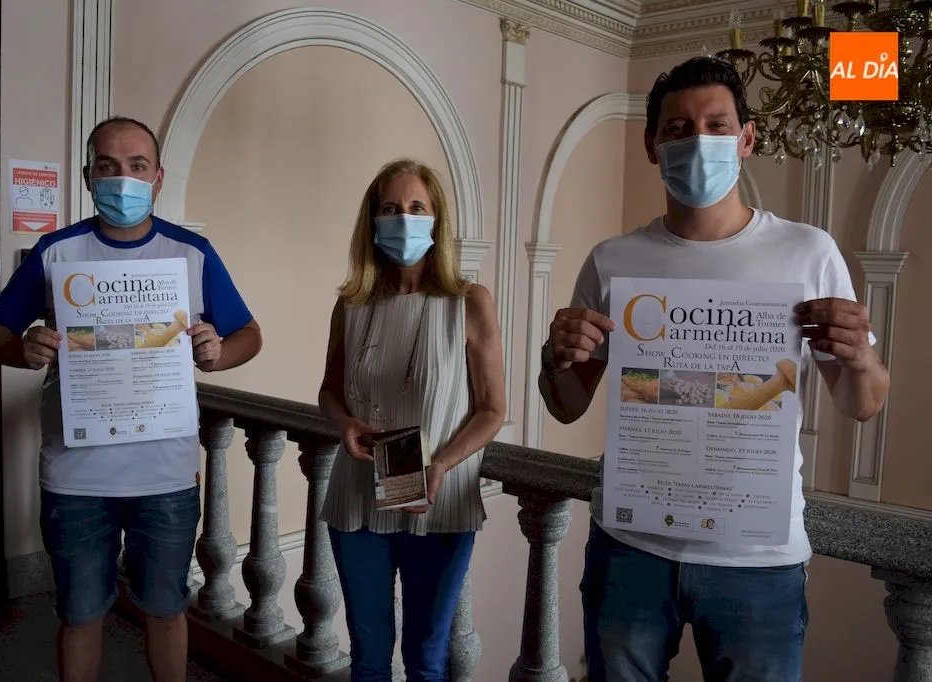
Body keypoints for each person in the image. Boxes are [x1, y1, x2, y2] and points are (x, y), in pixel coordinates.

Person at [539, 57, 890, 682]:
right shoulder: (613, 260)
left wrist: (860, 355)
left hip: (760, 558)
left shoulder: (809, 252)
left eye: (716, 124)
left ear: (746, 139)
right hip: (631, 547)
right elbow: (566, 402)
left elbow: (861, 401)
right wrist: (556, 356)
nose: (698, 141)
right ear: (652, 145)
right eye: (677, 128)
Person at [0, 116, 262, 682]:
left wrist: (216, 353)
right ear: (88, 176)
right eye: (107, 166)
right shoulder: (57, 252)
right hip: (77, 477)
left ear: (157, 178)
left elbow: (249, 334)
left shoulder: (192, 253)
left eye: (136, 166)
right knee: (80, 614)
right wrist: (24, 348)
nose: (122, 179)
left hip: (166, 476)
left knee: (165, 610)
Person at [317, 158, 506, 681]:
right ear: (373, 222)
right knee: (368, 655)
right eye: (390, 208)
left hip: (439, 495)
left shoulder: (470, 302)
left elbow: (494, 410)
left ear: (436, 218)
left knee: (428, 656)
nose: (404, 218)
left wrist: (442, 463)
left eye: (416, 207)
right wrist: (345, 425)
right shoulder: (351, 304)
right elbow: (329, 392)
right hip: (357, 494)